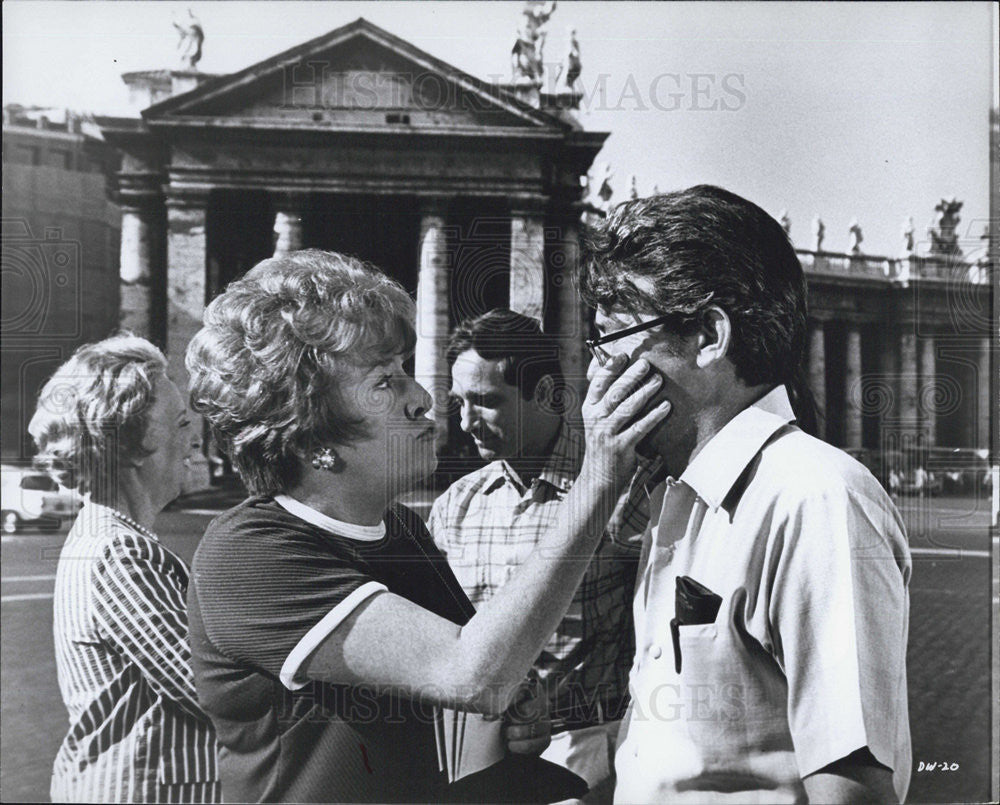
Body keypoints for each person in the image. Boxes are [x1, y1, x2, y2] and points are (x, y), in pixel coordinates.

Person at [184, 250, 670, 802]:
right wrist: (599, 478)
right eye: (385, 381)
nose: (422, 399)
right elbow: (474, 675)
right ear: (312, 436)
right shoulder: (249, 555)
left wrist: (519, 710)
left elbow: (481, 689)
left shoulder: (402, 532)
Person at [579, 186, 912, 804]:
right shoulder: (677, 499)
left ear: (708, 334)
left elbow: (854, 788)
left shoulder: (816, 502)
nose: (597, 368)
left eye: (611, 337)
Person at [430, 308, 659, 803]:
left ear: (546, 395)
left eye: (486, 402)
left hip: (587, 761)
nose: (466, 422)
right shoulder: (455, 505)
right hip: (475, 762)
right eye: (459, 403)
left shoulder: (626, 492)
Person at [28, 335, 219, 803]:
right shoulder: (120, 554)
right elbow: (213, 691)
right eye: (179, 424)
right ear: (133, 446)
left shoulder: (106, 539)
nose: (195, 439)